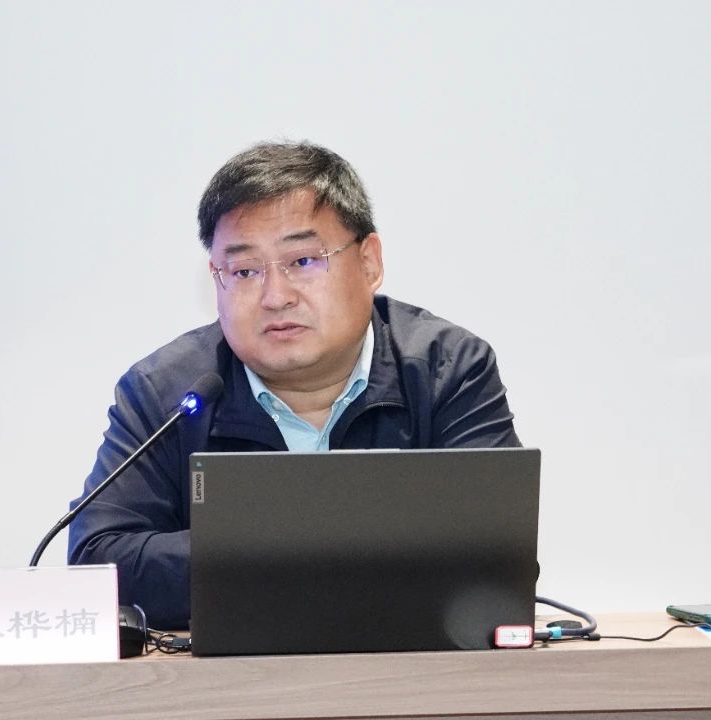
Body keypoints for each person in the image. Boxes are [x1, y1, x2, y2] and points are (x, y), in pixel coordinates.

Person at [67, 141, 521, 629]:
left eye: (303, 261)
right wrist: (317, 548)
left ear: (369, 262)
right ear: (216, 279)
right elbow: (97, 563)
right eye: (245, 271)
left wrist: (257, 558)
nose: (275, 296)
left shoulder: (446, 370)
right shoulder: (167, 392)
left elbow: (498, 558)